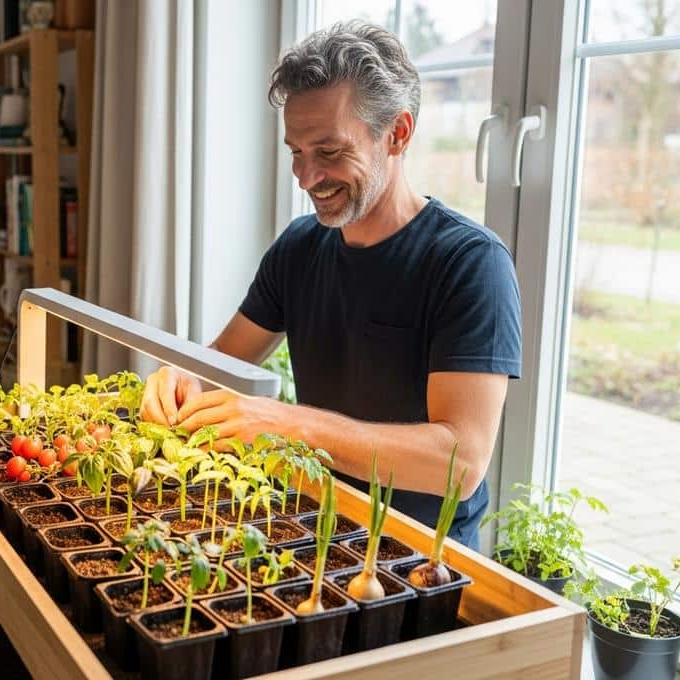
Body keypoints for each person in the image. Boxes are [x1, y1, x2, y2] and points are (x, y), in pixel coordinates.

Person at [140, 21, 522, 549]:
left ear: (398, 133)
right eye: (296, 152)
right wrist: (181, 381)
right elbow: (221, 365)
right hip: (313, 530)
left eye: (329, 151)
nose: (306, 177)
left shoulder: (470, 263)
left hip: (422, 557)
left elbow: (459, 464)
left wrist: (288, 425)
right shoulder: (299, 247)